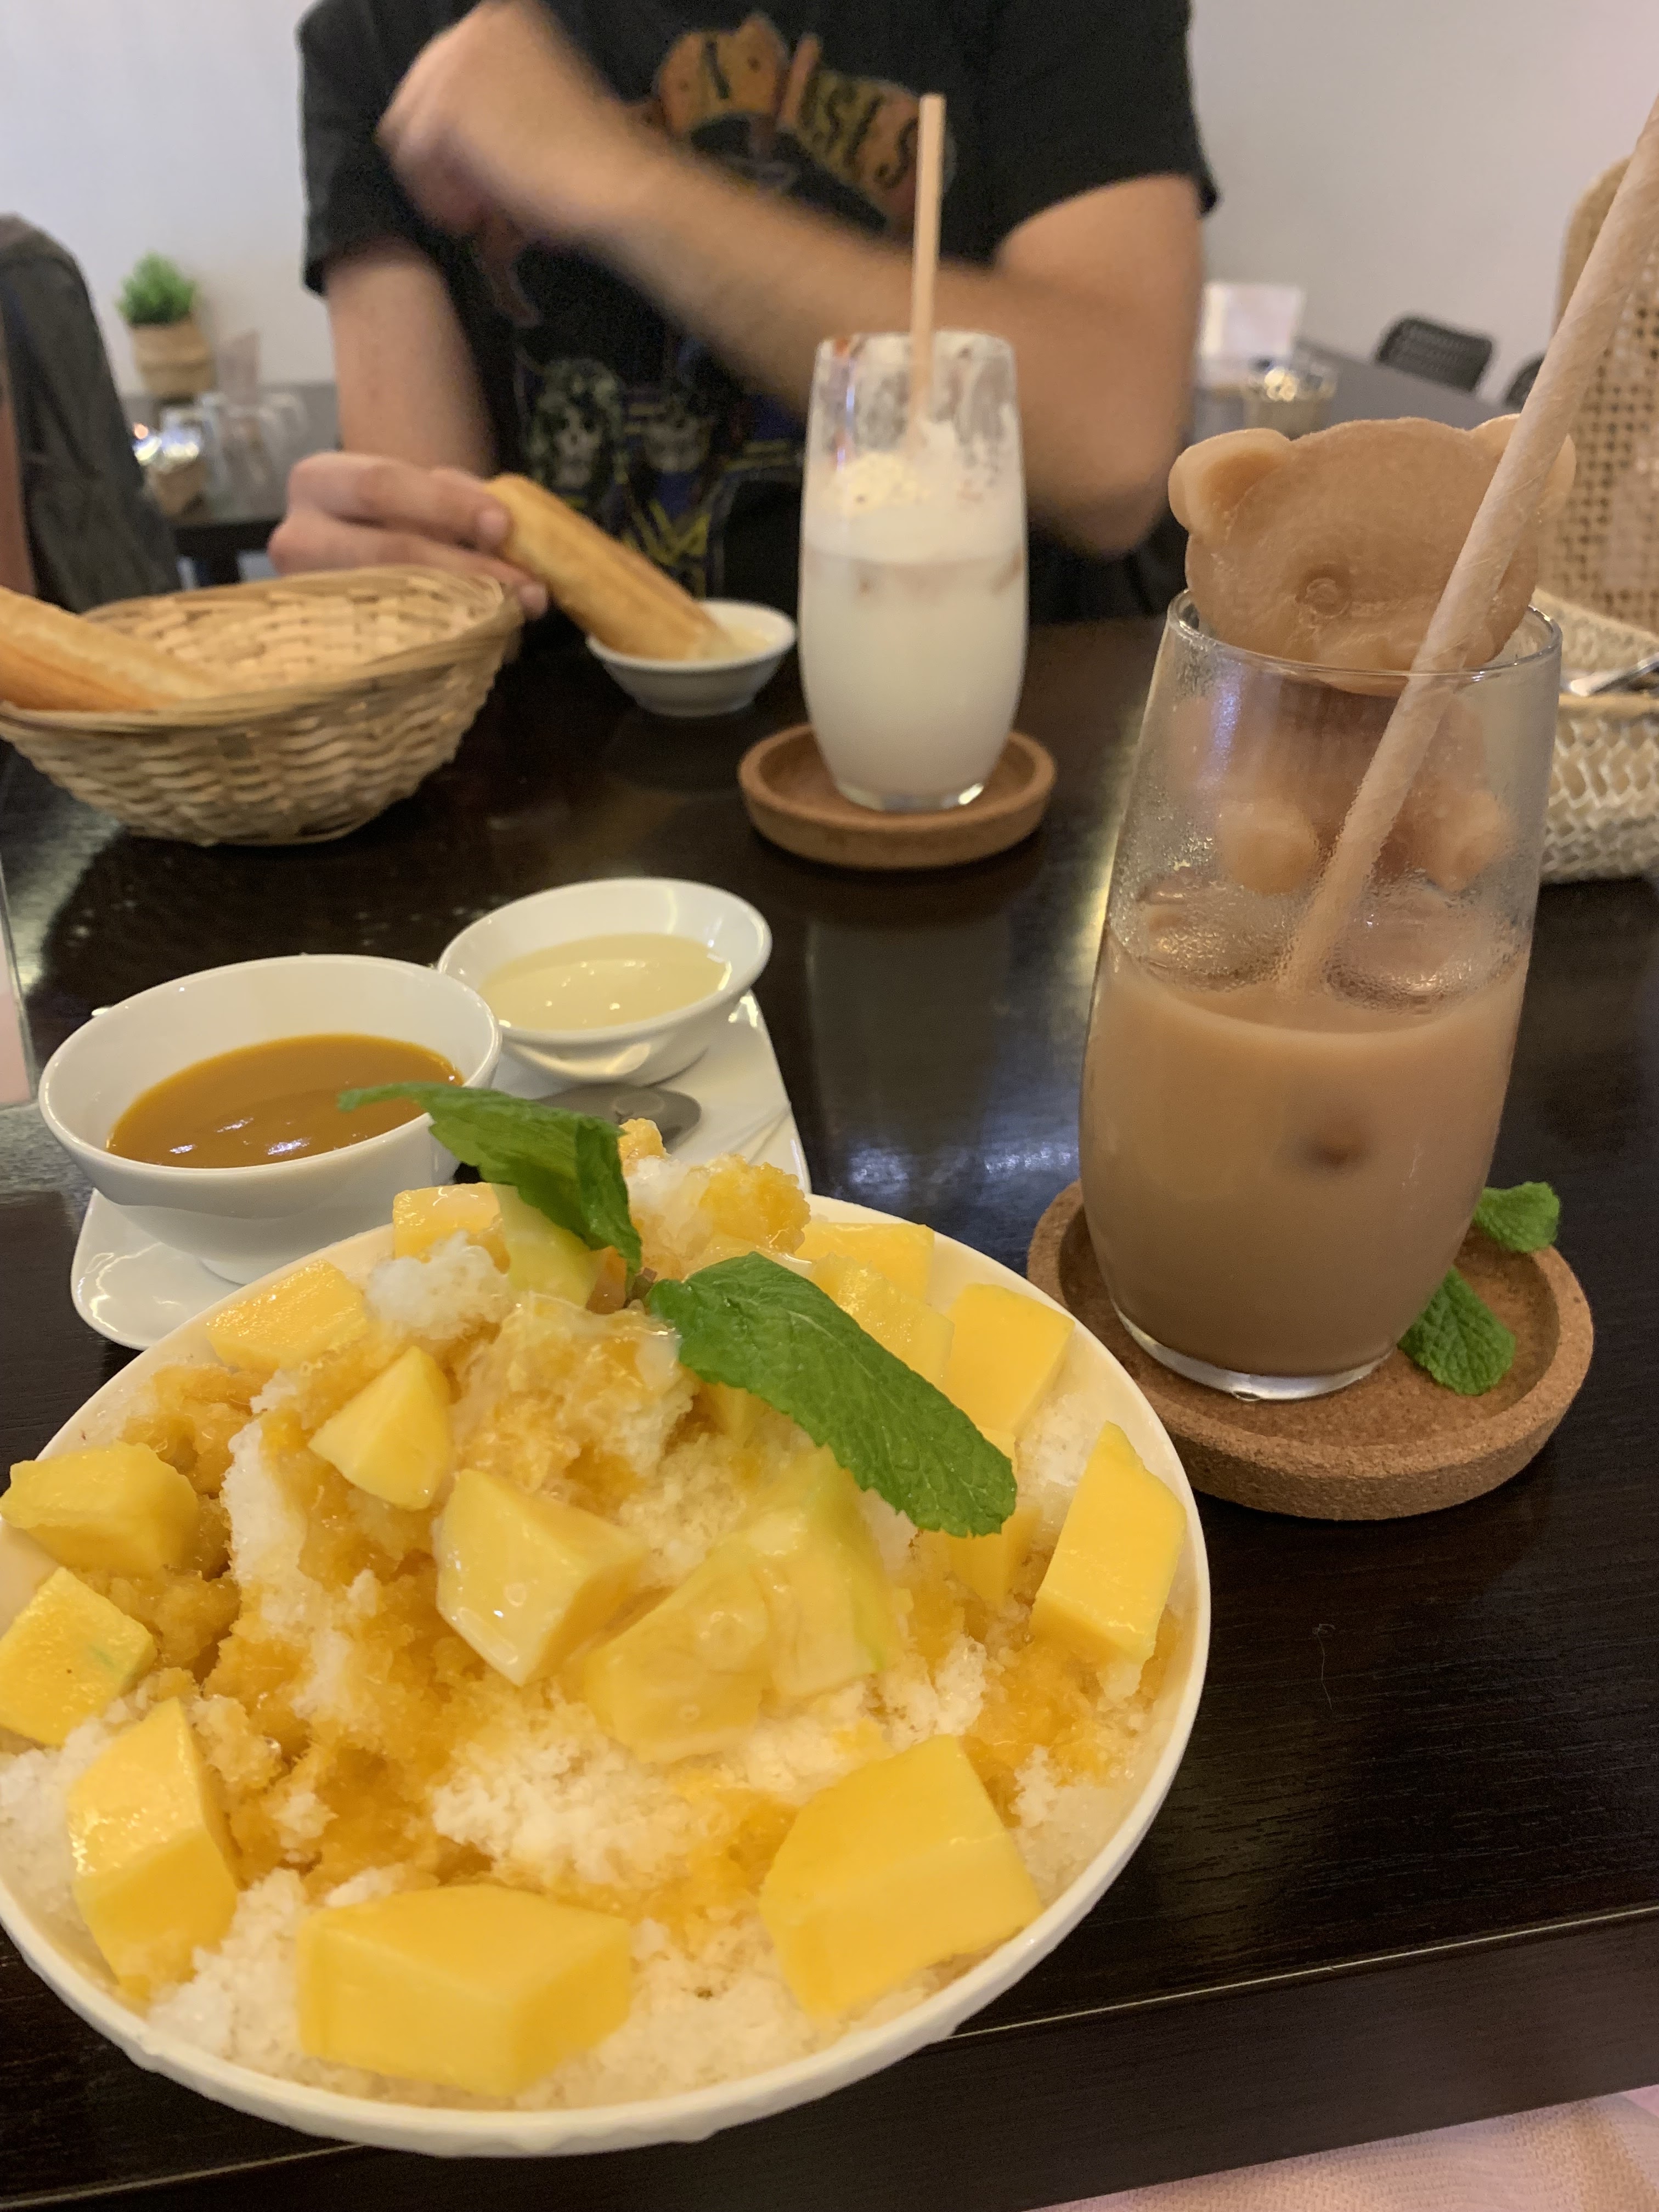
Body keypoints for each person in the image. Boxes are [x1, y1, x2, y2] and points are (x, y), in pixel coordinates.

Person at [273, 0, 1212, 623]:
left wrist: (616, 179)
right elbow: (432, 581)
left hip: (1004, 768)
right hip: (568, 795)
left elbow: (1113, 457)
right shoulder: (385, 34)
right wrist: (378, 573)